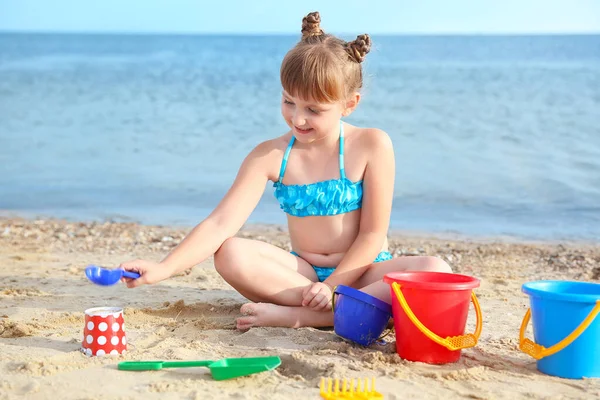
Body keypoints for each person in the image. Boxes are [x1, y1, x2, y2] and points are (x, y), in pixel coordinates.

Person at [120, 11, 451, 331]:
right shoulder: (271, 155)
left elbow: (372, 235)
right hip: (301, 277)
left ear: (349, 104)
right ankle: (349, 311)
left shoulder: (371, 145)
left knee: (435, 268)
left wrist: (333, 285)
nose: (298, 119)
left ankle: (308, 317)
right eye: (288, 101)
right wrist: (163, 268)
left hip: (363, 270)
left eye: (314, 109)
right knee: (229, 253)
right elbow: (220, 223)